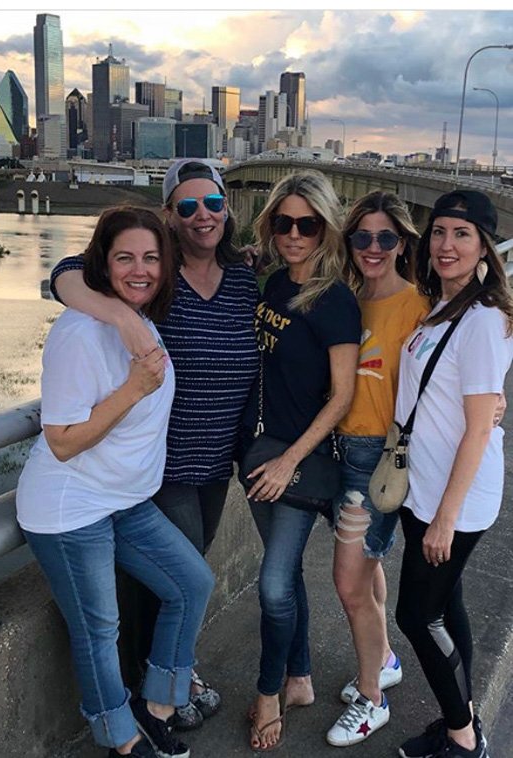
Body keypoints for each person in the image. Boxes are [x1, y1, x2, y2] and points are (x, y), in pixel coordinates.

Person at [48, 159, 259, 729]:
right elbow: (66, 272)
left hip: (218, 462)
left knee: (184, 575)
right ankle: (164, 689)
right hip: (161, 465)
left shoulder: (245, 274)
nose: (202, 216)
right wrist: (121, 316)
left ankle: (161, 679)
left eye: (212, 203)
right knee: (177, 581)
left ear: (226, 208)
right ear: (169, 215)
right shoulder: (156, 278)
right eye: (186, 206)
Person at [16, 206, 215, 758]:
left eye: (151, 258)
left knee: (191, 584)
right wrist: (132, 388)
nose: (140, 269)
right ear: (102, 262)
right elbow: (61, 441)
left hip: (123, 502)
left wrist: (128, 327)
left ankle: (155, 708)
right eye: (124, 257)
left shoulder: (140, 319)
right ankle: (122, 740)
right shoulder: (80, 333)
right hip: (71, 507)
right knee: (100, 629)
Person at [241, 170, 361, 751]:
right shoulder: (271, 285)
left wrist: (290, 459)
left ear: (325, 228)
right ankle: (302, 677)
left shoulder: (333, 299)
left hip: (302, 462)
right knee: (283, 575)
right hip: (261, 454)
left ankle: (268, 691)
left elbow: (342, 396)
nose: (294, 234)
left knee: (270, 587)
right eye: (283, 222)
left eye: (306, 224)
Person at [394, 190, 513, 758]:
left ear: (485, 247)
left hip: (454, 498)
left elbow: (477, 429)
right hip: (426, 488)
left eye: (462, 235)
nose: (446, 245)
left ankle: (464, 738)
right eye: (439, 232)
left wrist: (446, 517)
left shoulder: (484, 318)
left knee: (416, 616)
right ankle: (458, 719)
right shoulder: (442, 307)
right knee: (446, 607)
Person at [325, 191, 427, 747]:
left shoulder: (419, 306)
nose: (373, 247)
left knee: (348, 583)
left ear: (402, 243)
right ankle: (383, 658)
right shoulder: (346, 299)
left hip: (376, 460)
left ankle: (373, 699)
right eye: (362, 236)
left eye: (385, 237)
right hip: (339, 451)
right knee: (366, 571)